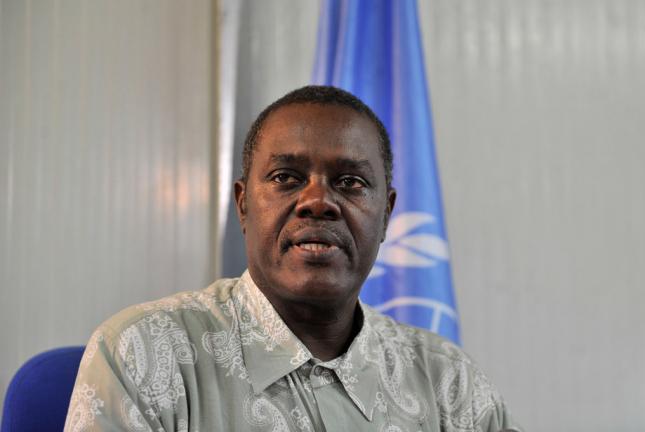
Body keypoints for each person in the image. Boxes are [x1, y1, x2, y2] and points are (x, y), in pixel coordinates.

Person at [64, 86, 523, 431]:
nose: (318, 201)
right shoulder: (145, 353)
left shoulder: (449, 383)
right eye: (286, 177)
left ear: (386, 215)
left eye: (350, 182)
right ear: (243, 205)